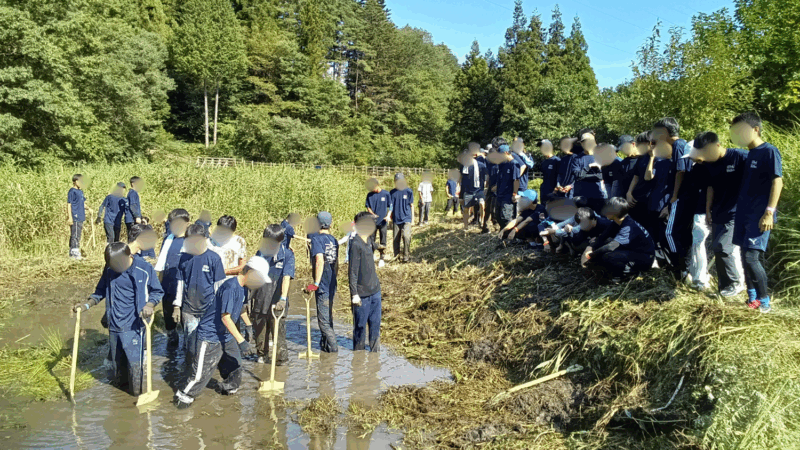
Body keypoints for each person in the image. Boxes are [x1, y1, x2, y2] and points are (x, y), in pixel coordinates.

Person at [174, 256, 269, 408]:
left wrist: (248, 325)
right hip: (210, 335)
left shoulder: (245, 288)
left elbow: (241, 309)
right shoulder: (231, 287)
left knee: (235, 365)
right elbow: (226, 317)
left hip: (226, 334)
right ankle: (183, 399)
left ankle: (228, 394)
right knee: (200, 375)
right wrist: (241, 341)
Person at [73, 242, 163, 396]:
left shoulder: (144, 269)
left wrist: (149, 305)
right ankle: (120, 399)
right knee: (118, 367)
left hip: (135, 324)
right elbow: (100, 291)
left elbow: (157, 291)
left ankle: (136, 397)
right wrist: (87, 305)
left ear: (129, 256)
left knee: (135, 368)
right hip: (114, 324)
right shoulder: (109, 269)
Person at [730, 112, 783, 313]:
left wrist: (769, 212)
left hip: (759, 216)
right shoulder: (749, 154)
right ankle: (752, 298)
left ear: (755, 130)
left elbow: (777, 181)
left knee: (753, 258)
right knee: (745, 257)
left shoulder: (769, 151)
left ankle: (765, 301)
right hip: (744, 214)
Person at [685, 132, 746, 296]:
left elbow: (762, 178)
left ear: (717, 145)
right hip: (718, 211)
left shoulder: (740, 157)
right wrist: (708, 210)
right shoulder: (710, 165)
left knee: (725, 248)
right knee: (718, 248)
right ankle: (724, 287)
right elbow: (710, 187)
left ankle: (736, 283)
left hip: (736, 211)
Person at [173, 224, 226, 360]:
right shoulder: (184, 258)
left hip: (208, 310)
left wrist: (220, 310)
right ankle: (191, 372)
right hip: (189, 310)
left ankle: (206, 373)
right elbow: (180, 282)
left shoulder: (214, 258)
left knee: (208, 345)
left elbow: (219, 287)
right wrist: (177, 306)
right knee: (191, 345)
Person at [651, 118, 694, 277]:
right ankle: (678, 267)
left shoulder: (678, 145)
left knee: (671, 233)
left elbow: (681, 171)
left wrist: (673, 197)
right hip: (683, 197)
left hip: (682, 197)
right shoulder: (679, 145)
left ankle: (680, 268)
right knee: (677, 233)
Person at [251, 225, 295, 364]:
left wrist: (283, 298)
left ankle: (281, 362)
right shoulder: (261, 253)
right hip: (261, 298)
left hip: (277, 302)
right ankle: (262, 356)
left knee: (279, 334)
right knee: (260, 333)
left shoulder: (287, 255)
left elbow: (287, 277)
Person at [582, 197, 655, 281]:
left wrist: (591, 256)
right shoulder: (617, 222)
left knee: (609, 256)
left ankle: (630, 274)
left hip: (645, 258)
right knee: (605, 243)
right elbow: (603, 237)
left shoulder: (629, 226)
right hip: (633, 251)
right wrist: (591, 247)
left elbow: (611, 247)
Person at [155, 208, 192, 346]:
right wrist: (158, 286)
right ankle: (172, 339)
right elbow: (162, 263)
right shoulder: (168, 239)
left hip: (185, 288)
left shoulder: (191, 240)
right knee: (168, 318)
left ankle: (188, 346)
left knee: (185, 319)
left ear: (187, 223)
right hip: (168, 284)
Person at [348, 212, 382, 351]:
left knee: (375, 326)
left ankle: (375, 356)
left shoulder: (368, 239)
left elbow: (375, 245)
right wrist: (354, 293)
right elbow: (352, 271)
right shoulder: (355, 244)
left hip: (375, 292)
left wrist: (381, 250)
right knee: (360, 328)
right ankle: (358, 360)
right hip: (362, 295)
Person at [307, 212, 339, 352]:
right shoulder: (334, 240)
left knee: (324, 323)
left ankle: (334, 352)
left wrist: (316, 283)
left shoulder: (316, 240)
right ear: (330, 224)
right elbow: (336, 263)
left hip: (323, 285)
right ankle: (325, 348)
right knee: (328, 317)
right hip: (332, 282)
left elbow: (319, 260)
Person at [570, 129, 606, 212]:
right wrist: (589, 167)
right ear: (581, 143)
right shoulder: (576, 158)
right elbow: (577, 175)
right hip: (580, 197)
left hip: (597, 196)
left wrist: (584, 175)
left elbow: (601, 176)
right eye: (584, 142)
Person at [626, 133, 655, 229]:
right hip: (636, 198)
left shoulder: (658, 157)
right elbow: (636, 176)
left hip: (648, 200)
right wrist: (629, 193)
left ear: (649, 143)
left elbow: (648, 177)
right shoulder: (642, 157)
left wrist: (651, 158)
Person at [493, 138, 521, 229]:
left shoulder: (514, 164)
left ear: (505, 153)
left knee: (506, 217)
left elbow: (516, 180)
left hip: (508, 196)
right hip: (500, 194)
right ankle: (502, 235)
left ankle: (509, 238)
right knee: (498, 216)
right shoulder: (502, 164)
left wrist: (514, 194)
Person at [365, 179, 392, 267]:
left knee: (383, 240)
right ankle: (371, 257)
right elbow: (368, 207)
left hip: (383, 221)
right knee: (371, 240)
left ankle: (381, 258)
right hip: (373, 222)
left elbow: (391, 206)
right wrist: (372, 214)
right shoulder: (369, 195)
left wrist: (388, 216)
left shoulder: (386, 194)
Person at [459, 150, 486, 231]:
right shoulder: (464, 166)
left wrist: (485, 186)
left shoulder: (481, 165)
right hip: (468, 190)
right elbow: (462, 180)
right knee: (466, 208)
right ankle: (465, 226)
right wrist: (461, 195)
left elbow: (485, 177)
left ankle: (482, 221)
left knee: (482, 204)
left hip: (479, 189)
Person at [390, 174, 414, 262]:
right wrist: (389, 216)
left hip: (406, 218)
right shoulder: (392, 192)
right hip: (396, 219)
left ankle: (406, 256)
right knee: (396, 239)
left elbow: (412, 205)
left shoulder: (409, 191)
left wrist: (413, 219)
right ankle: (396, 256)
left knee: (406, 236)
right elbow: (391, 206)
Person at [67, 174, 88, 260]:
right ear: (75, 182)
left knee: (78, 234)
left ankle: (73, 251)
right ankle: (74, 252)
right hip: (75, 215)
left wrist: (89, 208)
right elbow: (69, 204)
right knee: (75, 234)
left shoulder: (80, 192)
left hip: (81, 216)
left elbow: (82, 203)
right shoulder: (72, 191)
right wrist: (70, 217)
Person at [482, 145, 498, 232]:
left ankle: (496, 227)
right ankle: (485, 226)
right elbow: (488, 174)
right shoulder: (489, 163)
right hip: (490, 187)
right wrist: (486, 183)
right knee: (487, 207)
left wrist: (497, 186)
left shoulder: (500, 164)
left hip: (498, 189)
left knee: (494, 209)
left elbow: (504, 177)